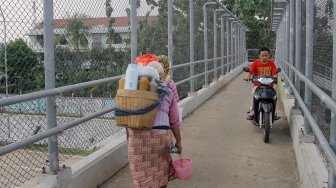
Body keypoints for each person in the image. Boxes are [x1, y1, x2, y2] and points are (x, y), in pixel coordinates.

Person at [127, 61, 182, 188]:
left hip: (137, 137)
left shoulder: (134, 89)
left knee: (141, 178)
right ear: (162, 76)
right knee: (160, 176)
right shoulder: (168, 92)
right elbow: (174, 121)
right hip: (160, 137)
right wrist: (178, 141)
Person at [244, 47, 277, 120]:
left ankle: (274, 112)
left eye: (266, 55)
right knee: (254, 95)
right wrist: (247, 76)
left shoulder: (272, 63)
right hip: (257, 85)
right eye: (263, 55)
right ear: (259, 56)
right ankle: (252, 112)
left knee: (274, 95)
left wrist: (277, 78)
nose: (264, 57)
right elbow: (250, 72)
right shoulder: (255, 63)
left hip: (269, 85)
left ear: (269, 55)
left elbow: (274, 73)